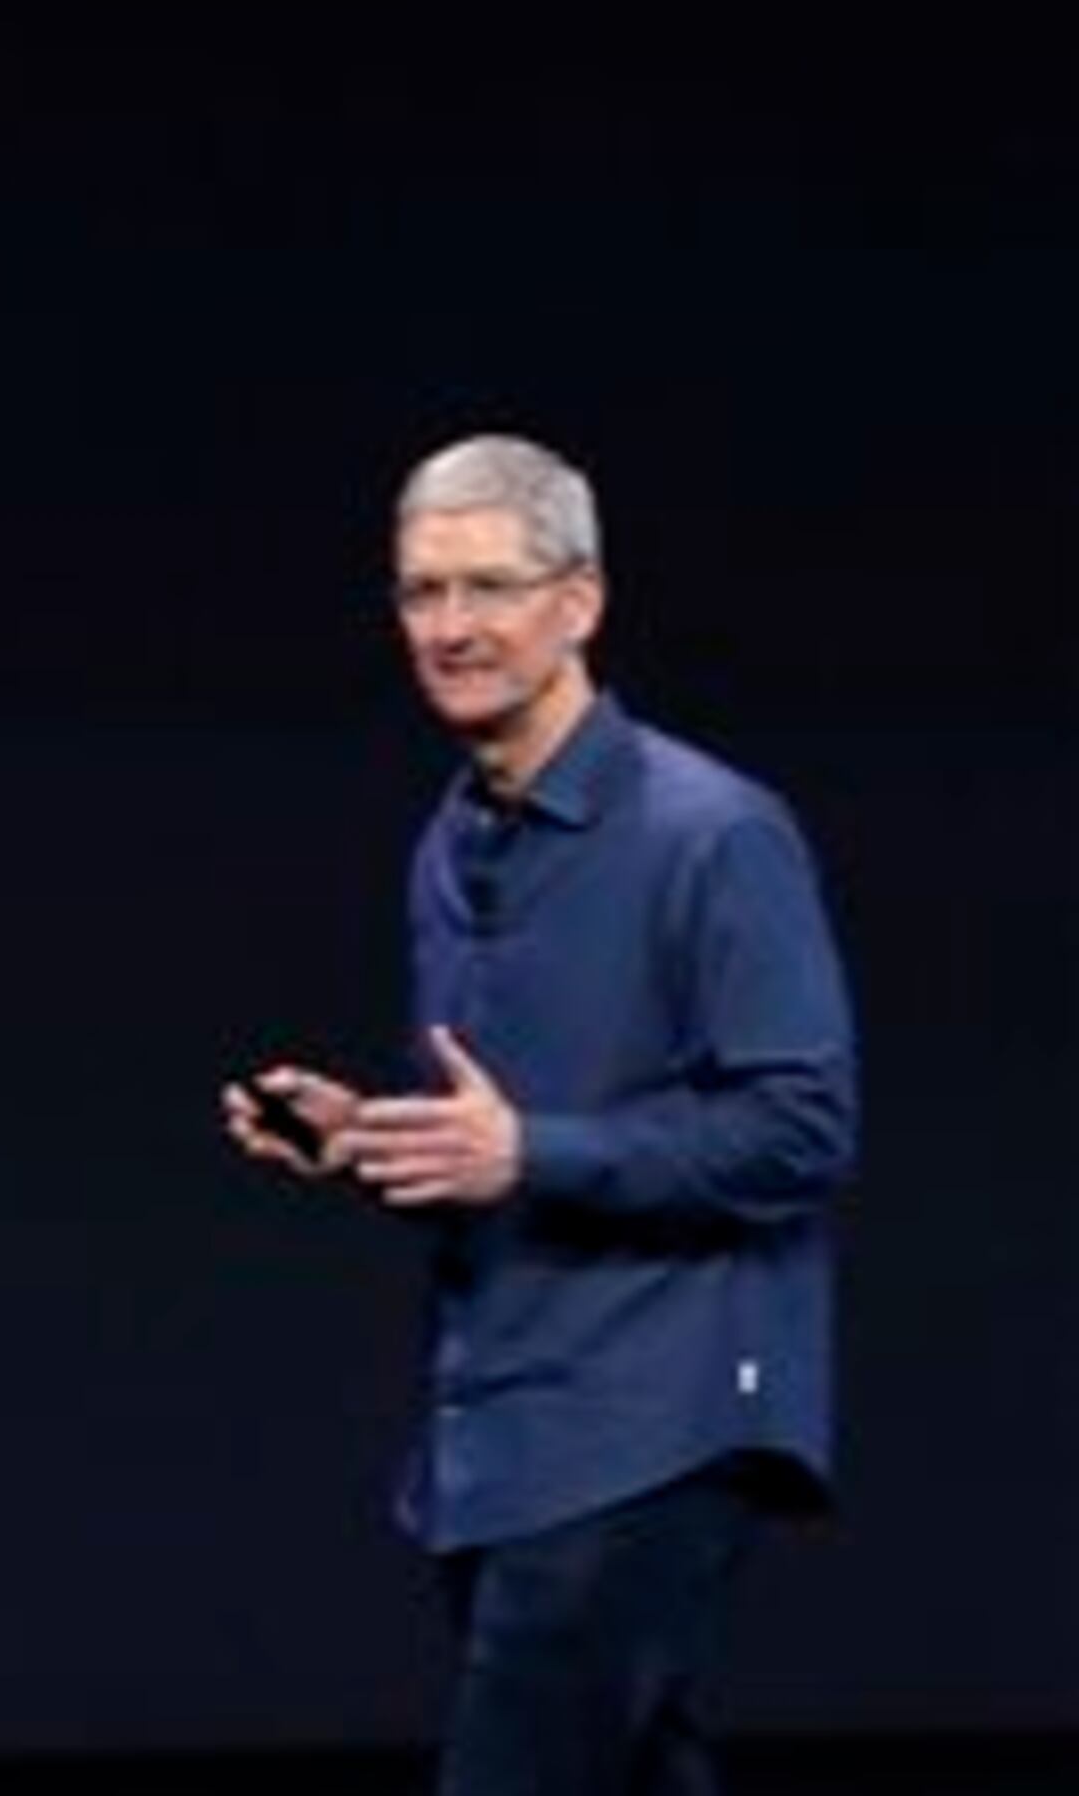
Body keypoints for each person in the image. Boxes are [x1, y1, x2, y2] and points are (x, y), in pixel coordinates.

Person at [225, 430, 858, 1795]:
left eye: (489, 589)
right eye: (421, 594)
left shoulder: (713, 833)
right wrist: (363, 1134)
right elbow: (497, 1125)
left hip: (655, 1414)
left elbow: (803, 1126)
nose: (450, 629)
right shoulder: (451, 841)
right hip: (501, 1423)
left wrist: (531, 1152)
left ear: (580, 602)